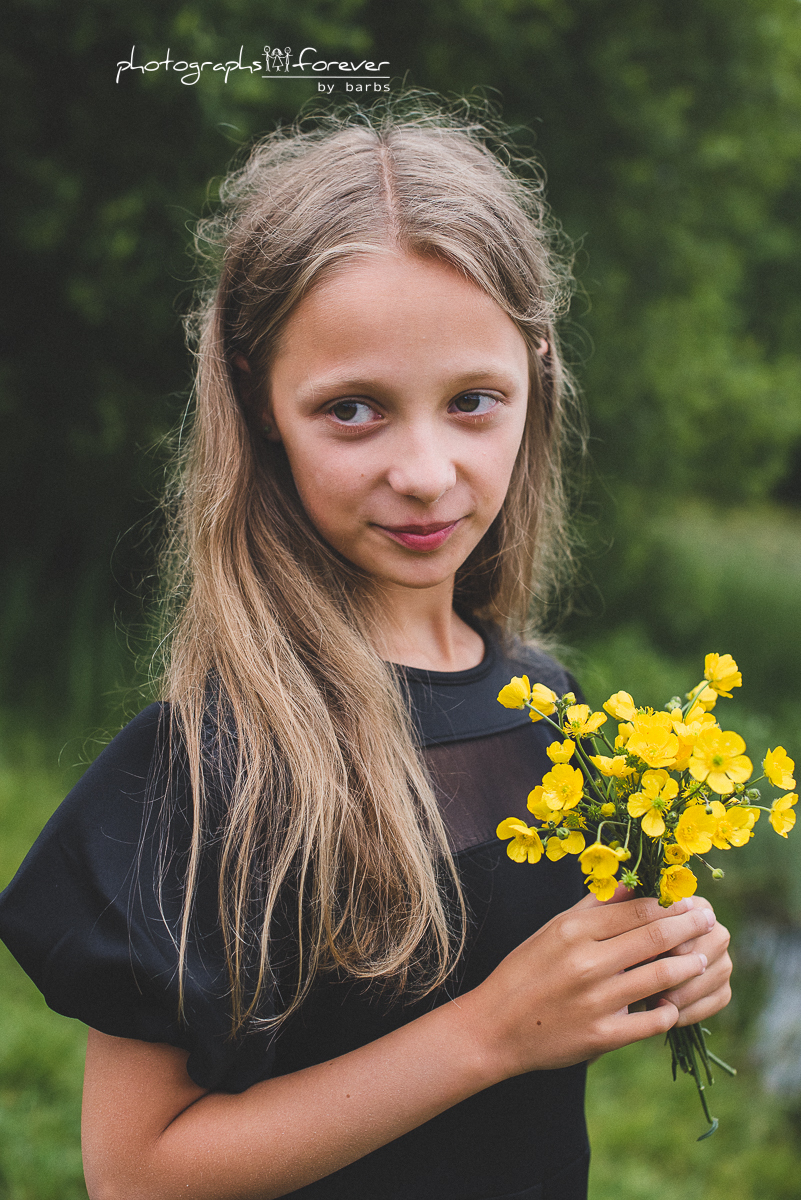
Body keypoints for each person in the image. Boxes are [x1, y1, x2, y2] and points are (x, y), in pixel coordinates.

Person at [0, 102, 731, 1200]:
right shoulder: (206, 772)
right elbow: (136, 1173)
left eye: (474, 402)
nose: (428, 472)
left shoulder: (552, 707)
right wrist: (491, 1033)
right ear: (258, 400)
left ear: (537, 372)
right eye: (354, 411)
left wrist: (660, 958)